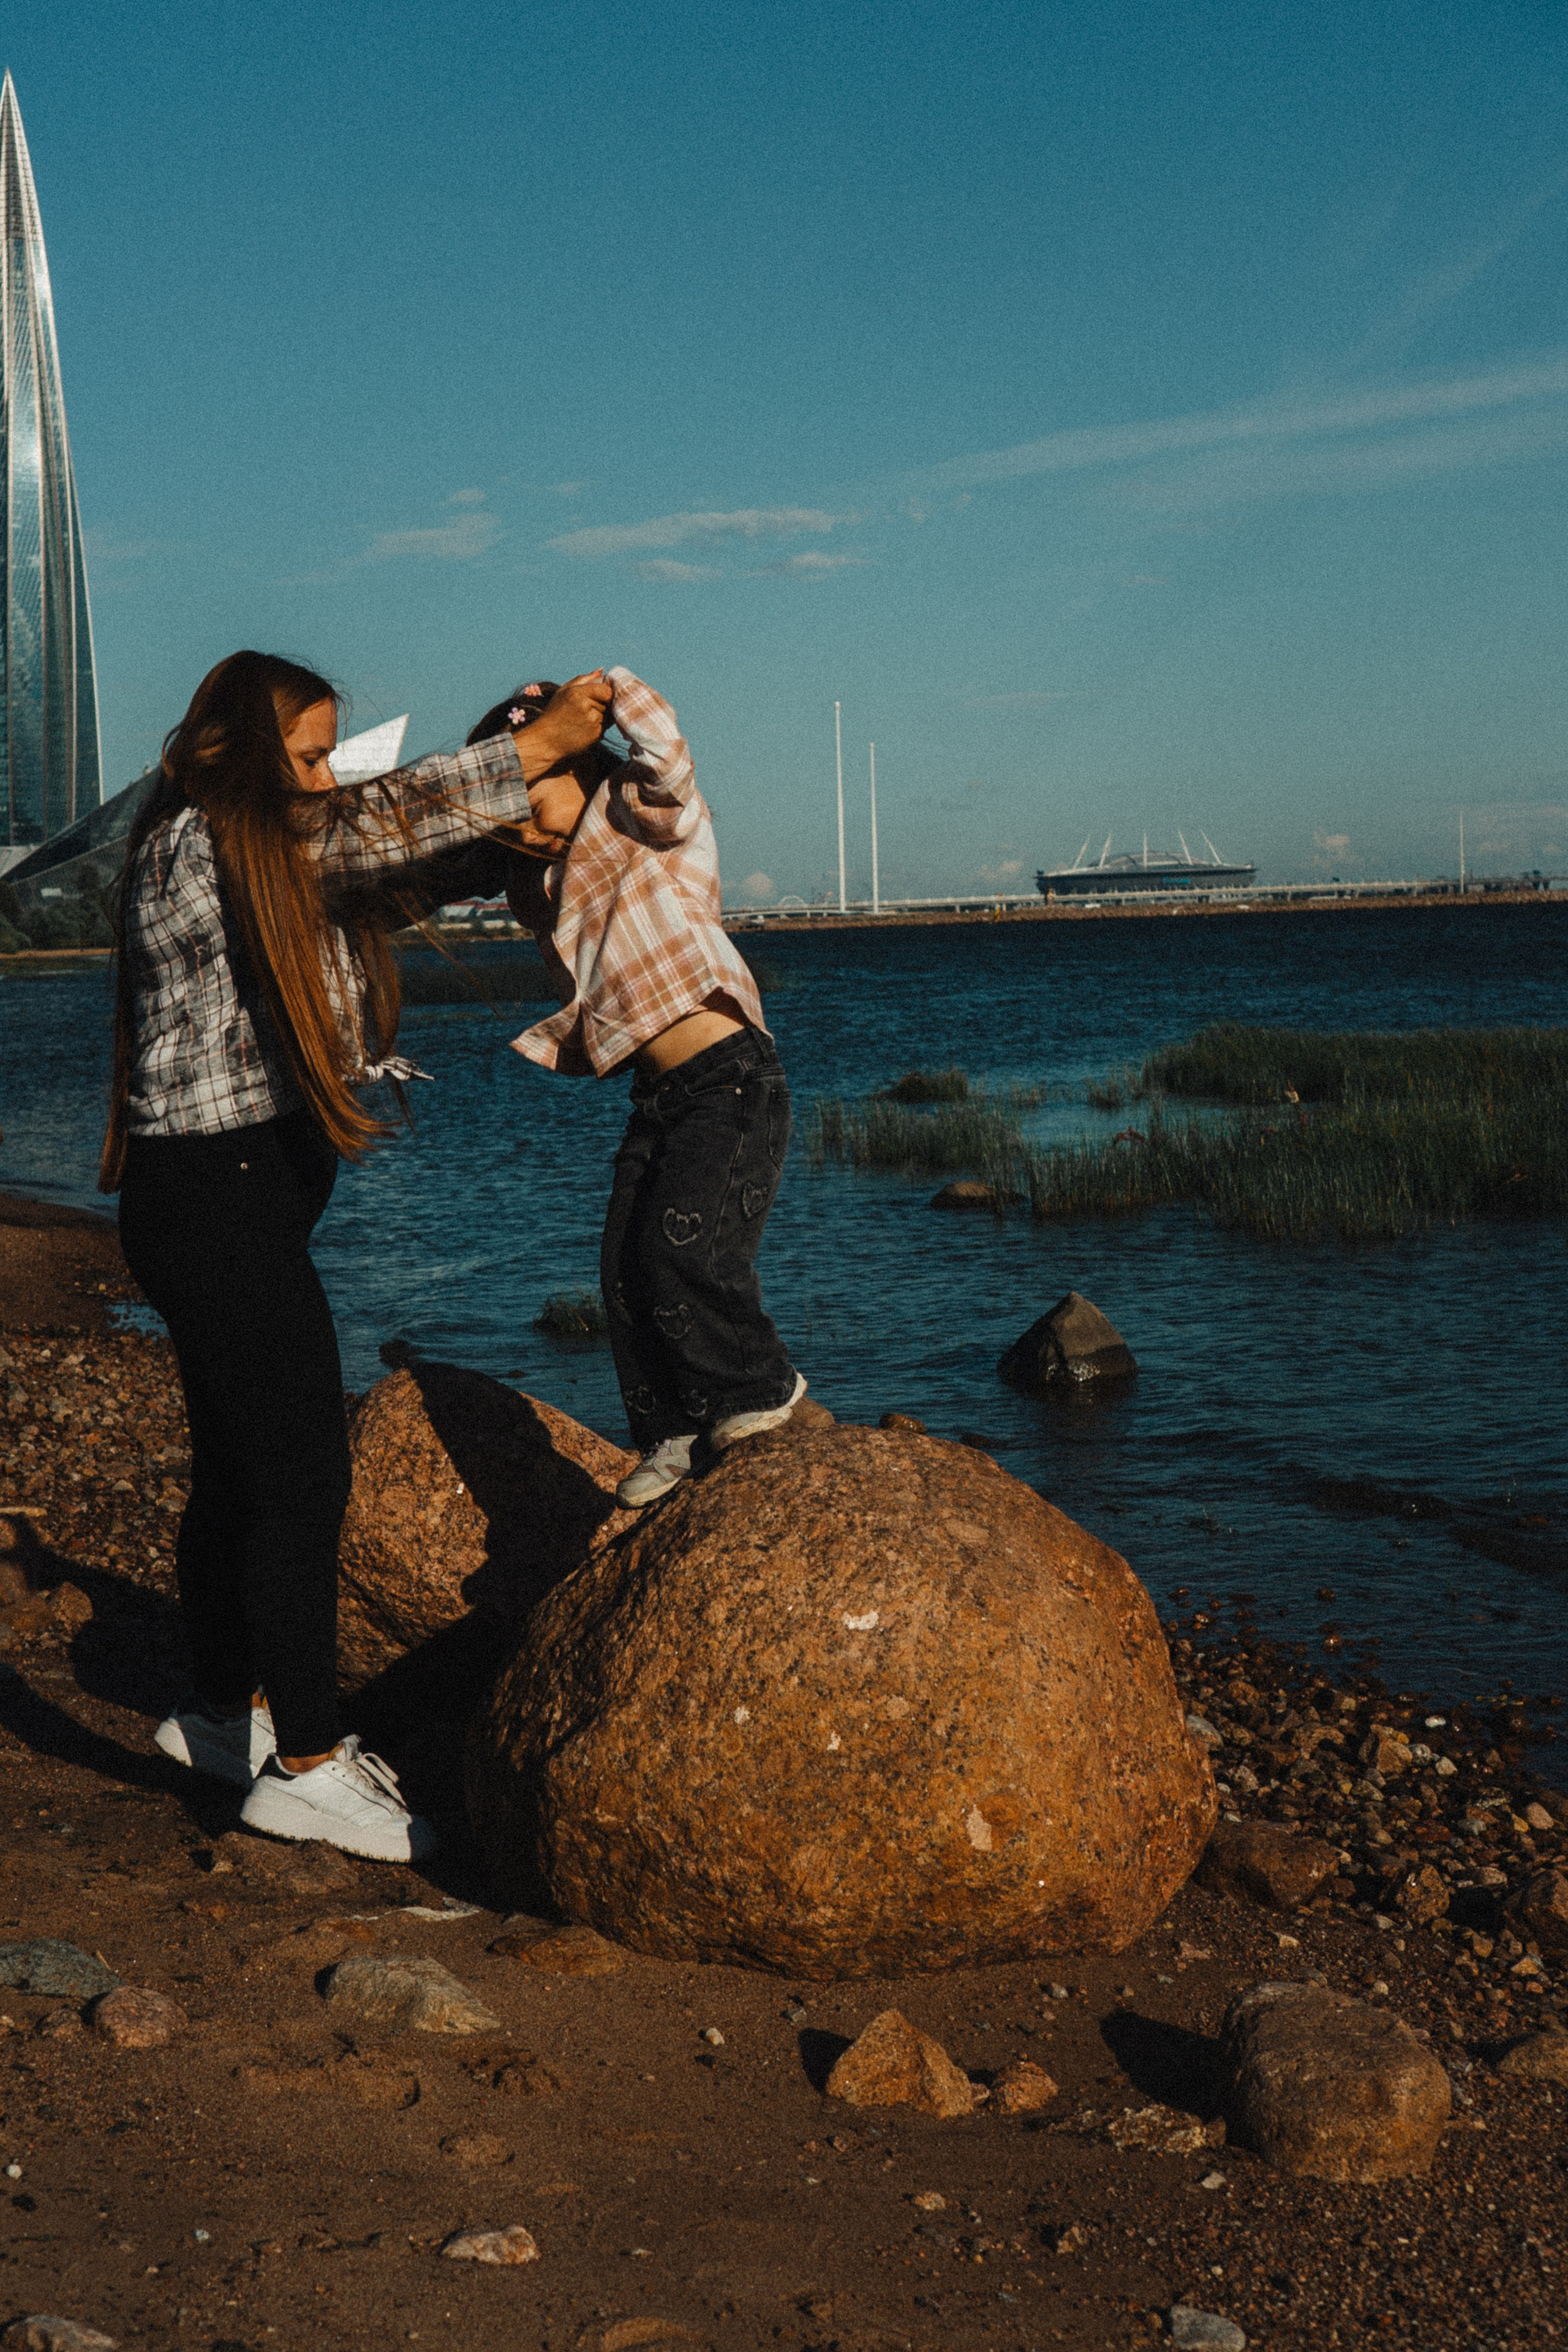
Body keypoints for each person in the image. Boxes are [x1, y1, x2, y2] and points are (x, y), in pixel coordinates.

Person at [103, 650, 613, 1860]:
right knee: (298, 1481)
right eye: (313, 754)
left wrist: (502, 847)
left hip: (229, 1208)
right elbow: (360, 830)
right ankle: (309, 1766)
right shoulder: (194, 846)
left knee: (240, 1470)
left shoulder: (268, 859)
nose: (329, 779)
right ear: (236, 751)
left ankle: (229, 1716)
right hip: (214, 1207)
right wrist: (531, 752)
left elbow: (376, 865)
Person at [465, 668, 805, 1508]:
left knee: (683, 1253)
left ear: (581, 762)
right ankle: (673, 1429)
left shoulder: (637, 816)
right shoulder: (540, 886)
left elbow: (666, 755)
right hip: (661, 1096)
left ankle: (760, 1393)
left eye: (532, 782)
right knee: (622, 1269)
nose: (519, 808)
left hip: (730, 1080)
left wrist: (605, 690)